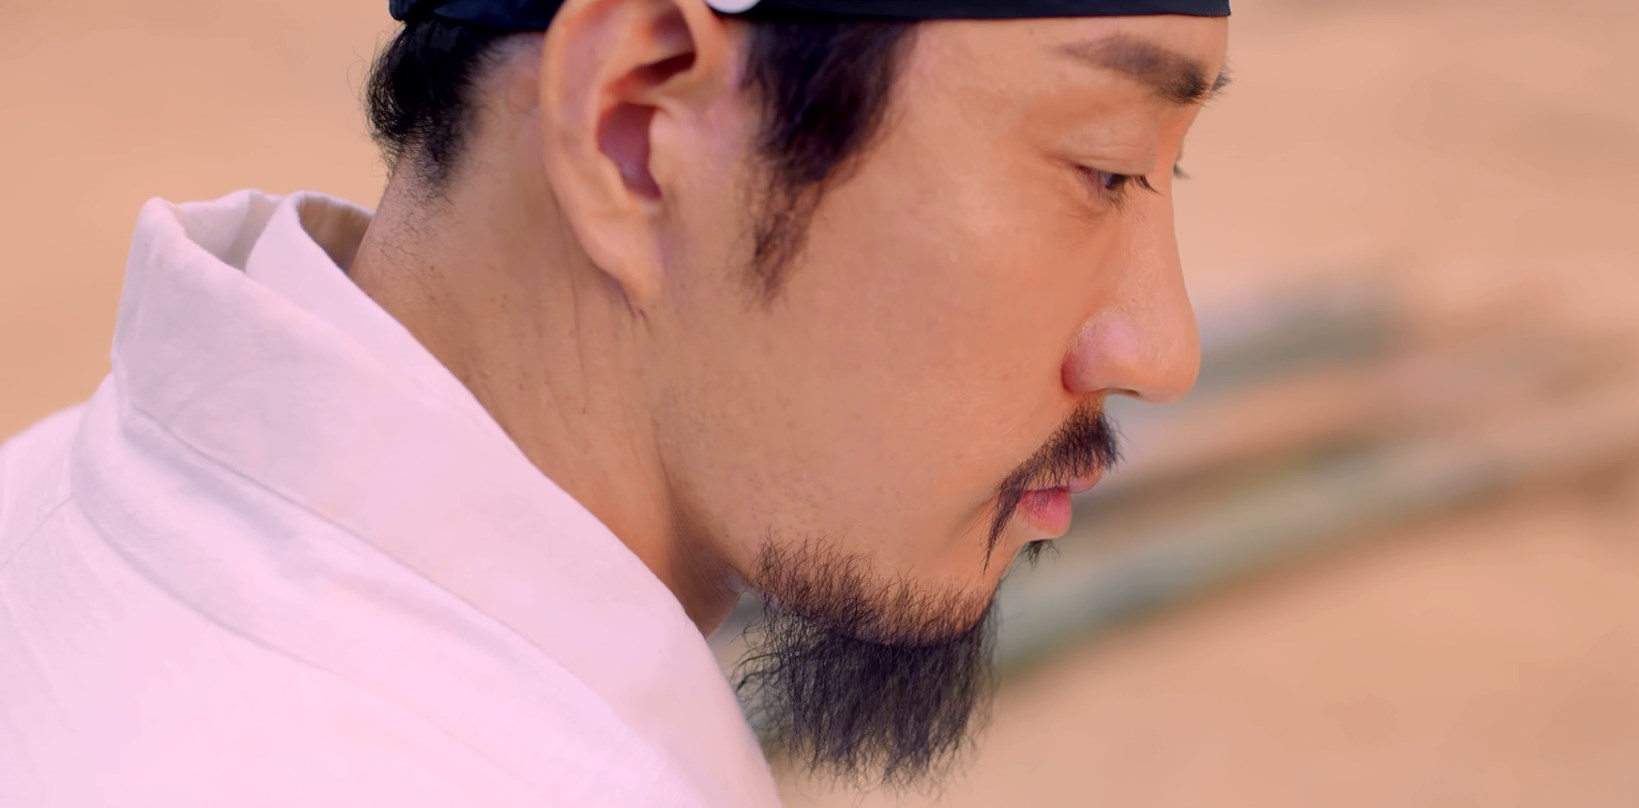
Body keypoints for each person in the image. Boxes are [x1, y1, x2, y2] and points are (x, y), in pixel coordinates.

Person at [0, 0, 1231, 804]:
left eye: (1162, 172)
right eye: (1103, 166)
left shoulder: (49, 499)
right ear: (636, 128)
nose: (1162, 347)